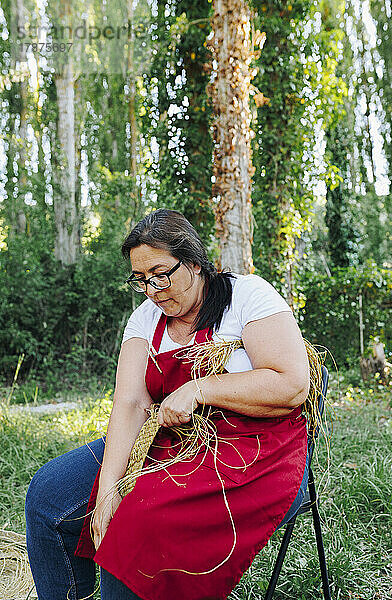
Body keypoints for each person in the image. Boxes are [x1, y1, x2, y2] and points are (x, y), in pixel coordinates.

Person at [25, 208, 310, 600]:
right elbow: (130, 403)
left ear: (193, 262)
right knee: (48, 496)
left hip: (253, 453)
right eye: (141, 280)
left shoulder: (247, 296)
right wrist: (108, 488)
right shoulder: (144, 319)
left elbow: (290, 384)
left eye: (161, 274)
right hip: (171, 442)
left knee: (135, 521)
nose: (153, 290)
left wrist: (201, 389)